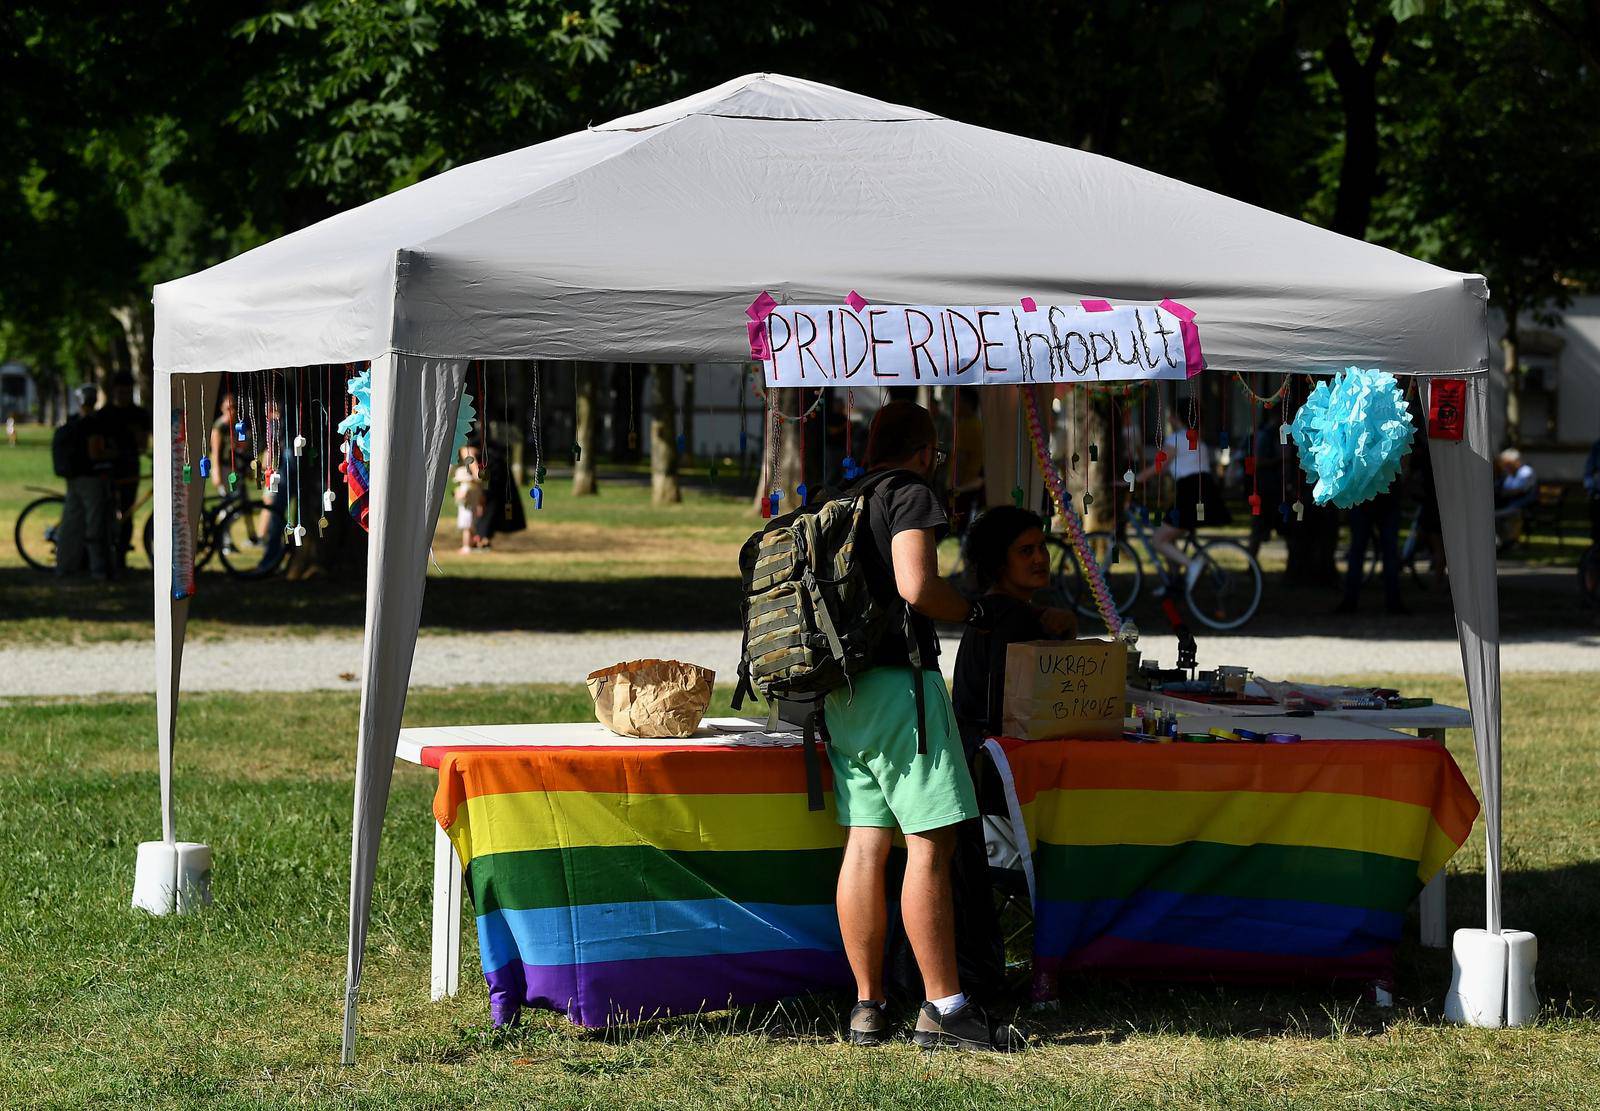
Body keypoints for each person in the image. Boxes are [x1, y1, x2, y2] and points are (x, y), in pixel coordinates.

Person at [826, 400, 1019, 1052]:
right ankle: (945, 1006)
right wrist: (967, 606)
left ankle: (867, 1006)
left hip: (842, 694)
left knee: (865, 844)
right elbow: (916, 585)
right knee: (930, 846)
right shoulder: (907, 493)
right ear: (926, 452)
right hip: (900, 689)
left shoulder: (843, 496)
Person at [1137, 407, 1226, 594]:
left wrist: (1134, 480)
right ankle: (1175, 583)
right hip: (1205, 490)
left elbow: (1159, 466)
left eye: (1171, 414)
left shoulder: (1176, 437)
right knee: (1169, 535)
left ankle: (1193, 565)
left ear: (1176, 417)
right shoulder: (1196, 439)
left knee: (1158, 539)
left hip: (1189, 492)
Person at [54, 384, 115, 577]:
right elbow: (95, 453)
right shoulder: (93, 424)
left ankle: (64, 565)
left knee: (71, 522)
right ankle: (98, 568)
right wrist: (115, 453)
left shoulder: (72, 422)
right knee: (94, 524)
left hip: (73, 479)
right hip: (91, 480)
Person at [103, 372, 150, 574]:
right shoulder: (106, 414)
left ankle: (121, 555)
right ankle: (106, 554)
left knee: (127, 512)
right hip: (107, 469)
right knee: (106, 511)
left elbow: (142, 444)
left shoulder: (139, 414)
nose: (123, 395)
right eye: (120, 391)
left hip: (130, 468)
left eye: (127, 392)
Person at [1334, 490, 1406, 615]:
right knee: (1387, 553)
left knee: (1359, 552)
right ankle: (1393, 602)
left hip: (1368, 498)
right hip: (1377, 499)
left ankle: (1351, 601)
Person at [1494, 448, 1538, 545]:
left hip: (1522, 506)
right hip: (1510, 503)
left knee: (1495, 516)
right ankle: (1503, 541)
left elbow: (1518, 490)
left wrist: (1504, 492)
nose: (1505, 467)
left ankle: (1507, 542)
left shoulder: (1526, 472)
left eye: (1508, 464)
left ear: (1516, 462)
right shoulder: (1511, 473)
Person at [453, 446, 485, 553]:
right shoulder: (473, 488)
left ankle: (467, 545)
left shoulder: (466, 487)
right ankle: (469, 544)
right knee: (470, 527)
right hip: (470, 510)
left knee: (468, 528)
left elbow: (462, 497)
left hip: (468, 510)